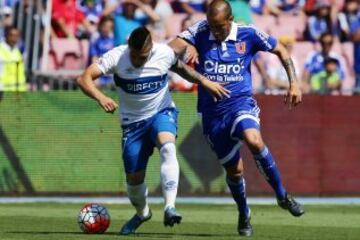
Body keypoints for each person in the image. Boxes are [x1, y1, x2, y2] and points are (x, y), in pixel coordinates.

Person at [169, 0, 304, 236]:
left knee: (254, 140)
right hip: (212, 115)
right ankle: (244, 212)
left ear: (230, 20)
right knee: (235, 172)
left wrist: (294, 83)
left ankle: (282, 196)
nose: (214, 31)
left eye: (219, 26)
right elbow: (168, 53)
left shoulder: (248, 33)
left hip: (240, 103)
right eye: (211, 25)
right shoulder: (200, 31)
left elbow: (280, 50)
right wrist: (185, 50)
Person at [77, 27, 229, 235]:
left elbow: (183, 70)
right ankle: (143, 213)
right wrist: (101, 97)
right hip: (132, 124)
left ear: (150, 48)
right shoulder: (116, 56)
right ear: (128, 47)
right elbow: (83, 78)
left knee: (167, 147)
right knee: (134, 180)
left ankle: (170, 206)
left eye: (143, 56)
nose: (138, 60)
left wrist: (204, 81)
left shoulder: (163, 53)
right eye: (134, 55)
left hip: (161, 112)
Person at [0, 26, 26, 92]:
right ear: (6, 35)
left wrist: (22, 91)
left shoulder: (17, 53)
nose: (14, 38)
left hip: (15, 93)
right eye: (11, 35)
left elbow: (21, 75)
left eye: (16, 36)